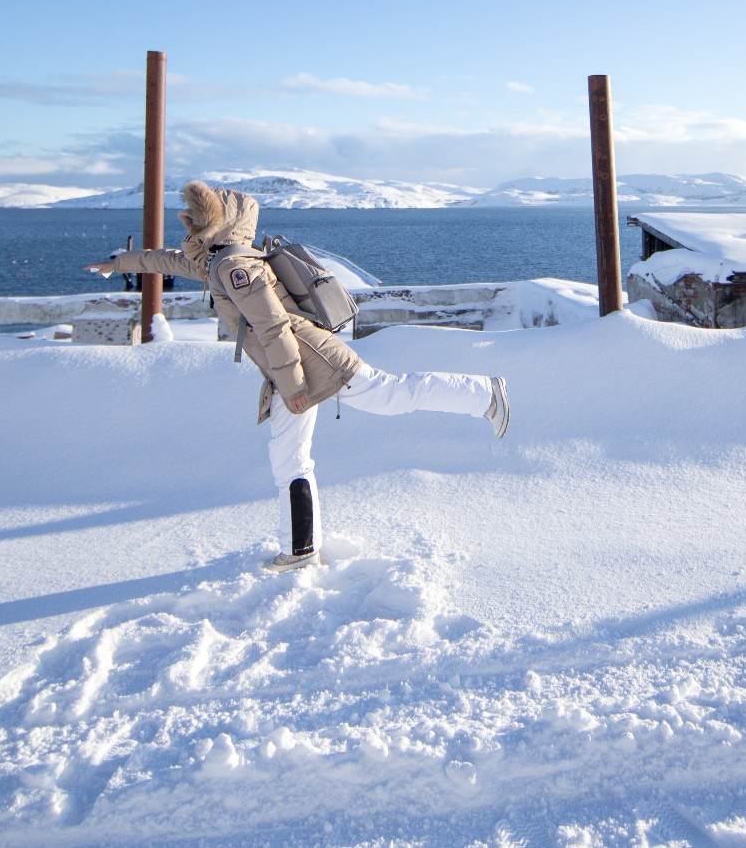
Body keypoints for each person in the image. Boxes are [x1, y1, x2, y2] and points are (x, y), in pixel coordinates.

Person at [88, 181, 509, 573]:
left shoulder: (237, 267)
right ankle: (301, 549)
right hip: (290, 368)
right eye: (192, 218)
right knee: (289, 456)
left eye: (199, 218)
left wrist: (294, 390)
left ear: (220, 223)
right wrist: (120, 263)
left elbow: (273, 328)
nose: (192, 224)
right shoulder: (221, 260)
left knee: (393, 396)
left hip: (311, 362)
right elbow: (172, 261)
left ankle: (485, 394)